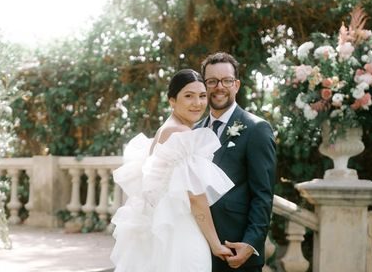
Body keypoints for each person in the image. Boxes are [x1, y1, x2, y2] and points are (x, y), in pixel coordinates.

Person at [110, 69, 235, 272]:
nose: (198, 103)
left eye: (202, 96)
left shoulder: (165, 129)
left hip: (163, 229)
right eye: (188, 96)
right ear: (172, 101)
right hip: (182, 232)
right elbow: (196, 198)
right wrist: (215, 244)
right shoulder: (181, 132)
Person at [197, 52, 276, 271]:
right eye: (211, 81)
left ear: (237, 84)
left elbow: (263, 194)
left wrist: (251, 243)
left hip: (236, 250)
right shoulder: (194, 131)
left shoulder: (256, 129)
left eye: (227, 80)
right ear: (204, 85)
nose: (219, 86)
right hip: (197, 248)